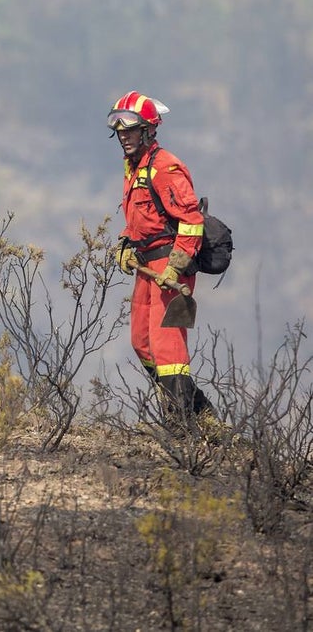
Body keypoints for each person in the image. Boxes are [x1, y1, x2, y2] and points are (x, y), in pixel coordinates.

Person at [109, 90, 214, 426]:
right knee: (142, 341)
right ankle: (200, 413)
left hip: (169, 266)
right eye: (120, 130)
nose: (124, 135)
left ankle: (182, 424)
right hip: (147, 266)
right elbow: (142, 218)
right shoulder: (133, 167)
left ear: (149, 130)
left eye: (131, 129)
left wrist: (177, 264)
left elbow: (192, 221)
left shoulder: (165, 167)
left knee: (167, 346)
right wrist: (126, 242)